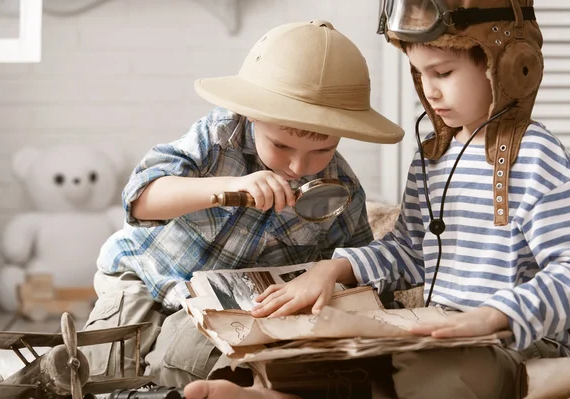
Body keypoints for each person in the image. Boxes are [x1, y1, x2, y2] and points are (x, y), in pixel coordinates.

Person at [196, 1, 569, 398]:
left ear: (512, 66)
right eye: (420, 74)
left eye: (443, 72)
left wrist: (496, 316)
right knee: (335, 352)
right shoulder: (432, 156)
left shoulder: (534, 156)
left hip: (513, 339)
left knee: (447, 370)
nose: (430, 90)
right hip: (438, 332)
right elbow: (409, 251)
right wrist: (333, 269)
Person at [80, 19, 404, 389]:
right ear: (253, 112)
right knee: (99, 365)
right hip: (146, 272)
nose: (298, 166)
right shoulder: (216, 137)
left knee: (184, 365)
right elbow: (140, 201)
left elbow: (357, 266)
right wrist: (227, 186)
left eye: (322, 150)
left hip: (224, 303)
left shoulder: (340, 190)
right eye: (281, 146)